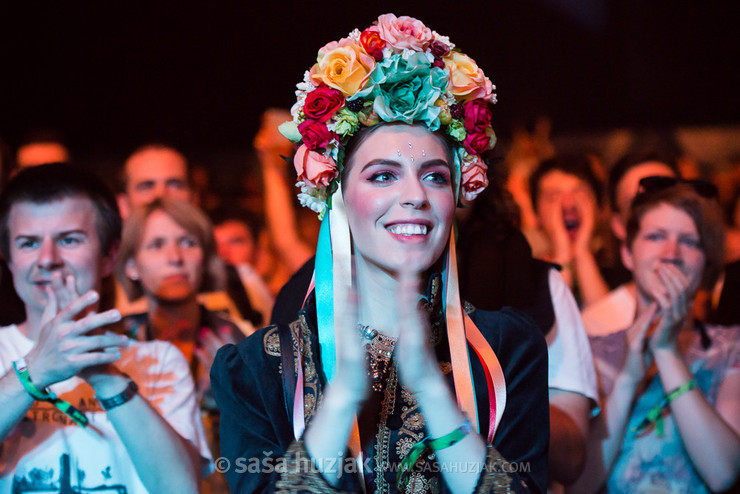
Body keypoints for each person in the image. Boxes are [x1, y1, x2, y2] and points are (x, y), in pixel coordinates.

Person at [211, 14, 549, 493]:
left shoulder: (506, 350)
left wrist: (433, 393)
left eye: (435, 176)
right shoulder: (259, 367)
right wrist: (340, 402)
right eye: (383, 176)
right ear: (337, 196)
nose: (416, 195)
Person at [0, 163, 210, 493]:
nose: (47, 259)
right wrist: (34, 371)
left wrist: (103, 375)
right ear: (9, 259)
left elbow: (181, 488)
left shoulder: (159, 361)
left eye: (68, 240)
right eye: (28, 243)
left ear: (110, 256)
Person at [572, 180, 740, 493]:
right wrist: (626, 380)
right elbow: (578, 485)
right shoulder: (591, 352)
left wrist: (666, 350)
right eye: (655, 236)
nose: (671, 253)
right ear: (627, 253)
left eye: (689, 241)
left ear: (707, 262)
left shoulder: (730, 347)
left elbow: (724, 473)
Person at [115, 197, 246, 493]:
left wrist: (229, 396)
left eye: (187, 242)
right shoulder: (117, 343)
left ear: (205, 256)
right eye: (156, 244)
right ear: (132, 265)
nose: (175, 257)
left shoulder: (237, 341)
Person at [580, 152, 679, 336]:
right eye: (637, 202)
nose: (656, 210)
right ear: (618, 225)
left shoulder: (722, 298)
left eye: (666, 195)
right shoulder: (597, 327)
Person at [525, 154, 609, 307]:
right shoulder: (523, 276)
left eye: (580, 194)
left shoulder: (623, 267)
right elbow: (554, 329)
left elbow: (610, 328)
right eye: (553, 197)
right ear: (535, 214)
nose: (568, 205)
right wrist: (562, 253)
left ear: (599, 207)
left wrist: (582, 253)